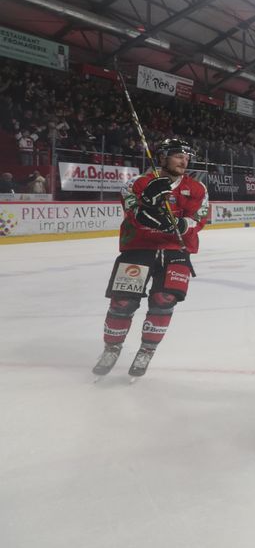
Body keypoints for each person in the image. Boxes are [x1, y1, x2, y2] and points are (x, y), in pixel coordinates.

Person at [91, 139, 209, 379]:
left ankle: (147, 350)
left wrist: (181, 223)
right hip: (138, 248)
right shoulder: (137, 184)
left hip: (176, 250)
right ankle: (112, 348)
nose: (184, 160)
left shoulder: (197, 188)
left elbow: (200, 217)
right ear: (163, 157)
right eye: (178, 155)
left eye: (187, 156)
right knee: (122, 302)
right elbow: (132, 212)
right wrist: (149, 206)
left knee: (164, 300)